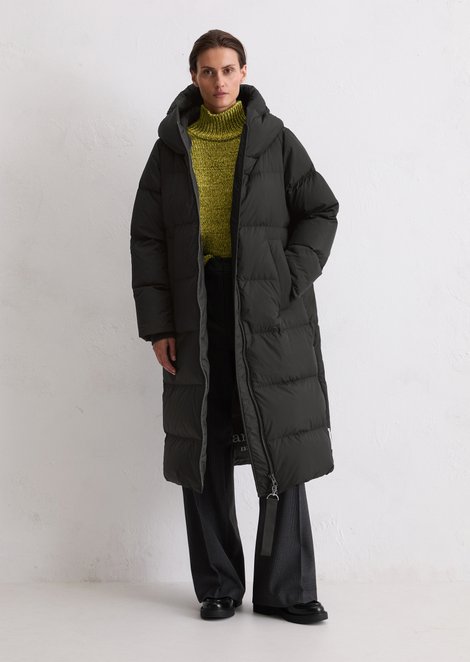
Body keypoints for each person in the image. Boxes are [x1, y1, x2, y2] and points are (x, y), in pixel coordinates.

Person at [130, 29, 339, 624]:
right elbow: (147, 238)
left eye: (227, 69)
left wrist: (288, 276)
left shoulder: (275, 140)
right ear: (193, 77)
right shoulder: (171, 148)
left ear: (243, 72)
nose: (218, 80)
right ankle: (218, 585)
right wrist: (159, 327)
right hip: (197, 310)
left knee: (280, 443)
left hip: (269, 312)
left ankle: (286, 591)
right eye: (207, 71)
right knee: (205, 446)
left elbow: (321, 210)